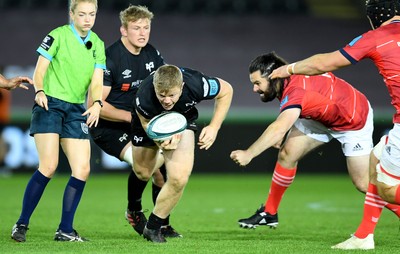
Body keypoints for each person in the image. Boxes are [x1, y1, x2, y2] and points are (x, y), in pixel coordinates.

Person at [268, 0, 400, 249]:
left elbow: (323, 63)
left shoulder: (376, 37)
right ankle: (363, 236)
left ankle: (363, 237)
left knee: (387, 188)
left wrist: (289, 69)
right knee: (376, 160)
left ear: (374, 16)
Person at [230, 52, 400, 245]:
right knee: (287, 154)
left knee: (363, 183)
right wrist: (280, 134)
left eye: (258, 83)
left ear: (273, 76)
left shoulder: (296, 91)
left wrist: (248, 154)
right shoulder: (289, 78)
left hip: (352, 120)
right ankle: (269, 212)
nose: (254, 89)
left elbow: (279, 126)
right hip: (321, 114)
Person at [10, 0, 105, 242]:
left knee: (82, 169)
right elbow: (39, 70)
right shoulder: (57, 36)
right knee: (49, 166)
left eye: (91, 14)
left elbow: (97, 82)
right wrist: (39, 91)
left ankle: (65, 229)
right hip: (49, 104)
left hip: (76, 109)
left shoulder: (98, 44)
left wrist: (96, 103)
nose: (87, 19)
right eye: (82, 14)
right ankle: (21, 224)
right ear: (72, 14)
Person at [88, 5, 181, 238]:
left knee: (162, 171)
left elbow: (163, 89)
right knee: (146, 168)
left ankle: (161, 223)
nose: (142, 33)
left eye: (146, 27)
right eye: (136, 28)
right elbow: (95, 103)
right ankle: (135, 211)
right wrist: (134, 117)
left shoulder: (152, 54)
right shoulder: (111, 58)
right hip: (108, 127)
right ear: (123, 30)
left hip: (140, 124)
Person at [131, 64, 233, 243]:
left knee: (179, 178)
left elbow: (227, 90)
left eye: (172, 95)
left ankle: (153, 227)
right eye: (162, 95)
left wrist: (214, 127)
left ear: (182, 87)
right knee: (142, 171)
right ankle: (133, 208)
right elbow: (147, 124)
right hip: (151, 123)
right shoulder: (144, 96)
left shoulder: (196, 83)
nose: (167, 100)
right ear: (155, 88)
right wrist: (162, 142)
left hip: (182, 120)